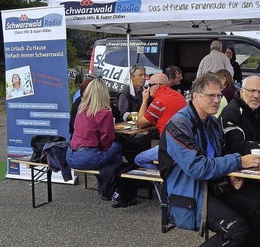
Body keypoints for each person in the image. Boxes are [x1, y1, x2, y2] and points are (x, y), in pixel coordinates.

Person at [158, 73, 260, 246]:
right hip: (188, 193)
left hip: (213, 186)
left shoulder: (212, 123)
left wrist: (230, 174)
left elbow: (217, 157)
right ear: (196, 96)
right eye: (211, 95)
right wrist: (238, 161)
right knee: (236, 230)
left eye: (219, 95)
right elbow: (197, 168)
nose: (217, 100)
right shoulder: (179, 125)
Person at [67, 78, 137, 208]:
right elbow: (108, 139)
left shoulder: (81, 108)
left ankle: (109, 186)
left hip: (70, 155)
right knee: (117, 148)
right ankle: (113, 188)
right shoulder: (105, 112)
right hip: (86, 156)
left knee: (110, 154)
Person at [133, 73, 187, 170]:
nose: (148, 89)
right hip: (185, 144)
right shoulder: (179, 96)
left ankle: (161, 181)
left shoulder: (158, 102)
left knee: (139, 159)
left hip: (170, 146)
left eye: (149, 85)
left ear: (157, 86)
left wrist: (144, 100)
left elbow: (140, 123)